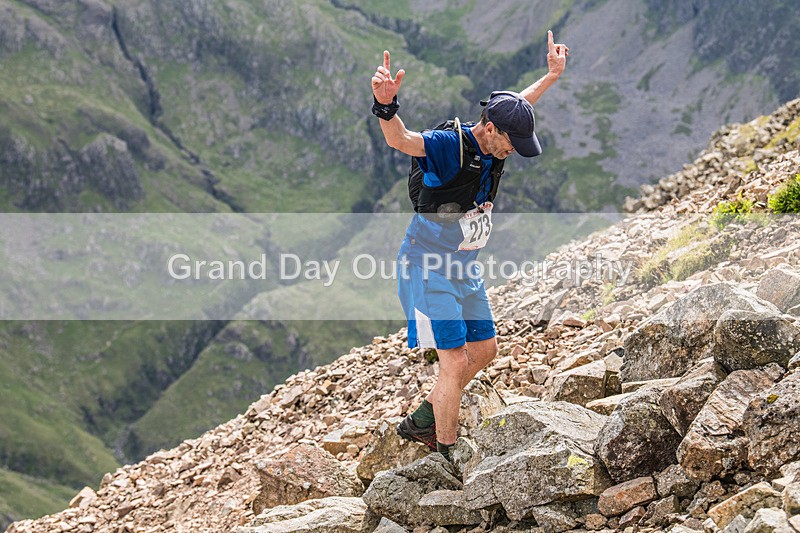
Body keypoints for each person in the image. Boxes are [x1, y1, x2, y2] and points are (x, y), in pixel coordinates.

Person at [370, 31, 569, 460]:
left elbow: (521, 101)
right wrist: (386, 106)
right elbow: (401, 140)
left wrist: (551, 75)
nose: (513, 152)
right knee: (455, 362)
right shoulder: (448, 146)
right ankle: (445, 453)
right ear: (490, 128)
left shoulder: (503, 126)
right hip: (426, 265)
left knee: (485, 349)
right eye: (510, 144)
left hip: (464, 265)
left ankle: (426, 415)